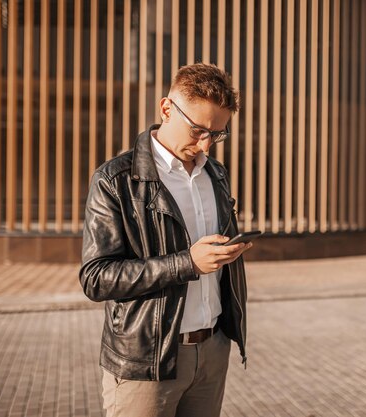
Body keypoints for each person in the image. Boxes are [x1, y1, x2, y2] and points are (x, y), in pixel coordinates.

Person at [79, 63, 251, 417]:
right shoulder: (116, 180)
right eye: (198, 130)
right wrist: (188, 263)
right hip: (147, 360)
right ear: (166, 109)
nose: (205, 144)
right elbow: (96, 278)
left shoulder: (215, 174)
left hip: (212, 350)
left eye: (217, 134)